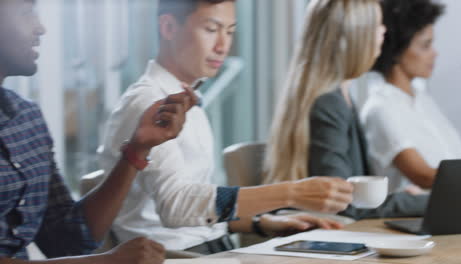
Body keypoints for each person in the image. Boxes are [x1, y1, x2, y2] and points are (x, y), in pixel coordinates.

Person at [99, 0, 353, 255]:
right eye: (211, 30)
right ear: (168, 27)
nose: (223, 47)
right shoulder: (150, 103)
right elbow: (176, 207)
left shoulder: (185, 97)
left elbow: (198, 208)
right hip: (173, 255)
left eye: (230, 32)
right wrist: (293, 193)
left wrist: (261, 222)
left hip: (207, 246)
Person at [0, 0, 198, 263]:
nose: (41, 28)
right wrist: (104, 262)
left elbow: (68, 241)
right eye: (27, 12)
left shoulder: (27, 119)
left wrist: (136, 151)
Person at [263, 0, 428, 220]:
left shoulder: (338, 97)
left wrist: (403, 198)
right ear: (356, 37)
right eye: (377, 25)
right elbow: (342, 203)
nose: (384, 31)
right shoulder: (329, 103)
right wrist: (428, 202)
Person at [361, 0, 461, 194]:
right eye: (426, 45)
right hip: (419, 214)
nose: (435, 54)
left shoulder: (423, 101)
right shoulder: (380, 109)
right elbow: (424, 176)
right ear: (397, 51)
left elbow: (457, 161)